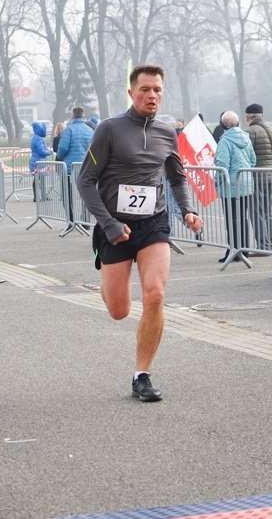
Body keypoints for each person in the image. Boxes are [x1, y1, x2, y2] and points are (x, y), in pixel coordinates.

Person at [76, 64, 203, 402]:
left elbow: (176, 176)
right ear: (131, 93)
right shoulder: (109, 129)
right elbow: (85, 180)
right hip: (115, 227)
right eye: (145, 89)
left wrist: (187, 209)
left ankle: (141, 376)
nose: (152, 95)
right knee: (119, 310)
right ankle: (104, 264)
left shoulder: (166, 132)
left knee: (156, 295)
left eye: (157, 90)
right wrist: (109, 225)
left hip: (153, 223)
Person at [213, 110, 256, 263]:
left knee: (231, 219)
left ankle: (233, 249)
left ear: (223, 124)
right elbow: (252, 160)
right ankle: (243, 249)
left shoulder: (224, 141)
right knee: (242, 218)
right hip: (246, 183)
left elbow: (222, 165)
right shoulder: (246, 138)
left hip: (230, 186)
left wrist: (216, 182)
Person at [245, 103, 272, 252]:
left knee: (257, 212)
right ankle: (269, 243)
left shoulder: (250, 131)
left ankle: (263, 245)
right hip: (271, 175)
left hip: (256, 177)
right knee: (267, 212)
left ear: (247, 118)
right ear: (262, 115)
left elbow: (247, 155)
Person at [57, 106, 93, 225]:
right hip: (86, 169)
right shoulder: (90, 130)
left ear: (72, 116)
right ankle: (85, 221)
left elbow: (62, 149)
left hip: (69, 169)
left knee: (67, 195)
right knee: (86, 196)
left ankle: (71, 220)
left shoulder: (68, 130)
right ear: (84, 116)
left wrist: (60, 156)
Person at [29, 121, 54, 202]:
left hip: (37, 161)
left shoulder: (35, 137)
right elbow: (41, 151)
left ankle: (40, 196)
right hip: (39, 161)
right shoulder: (39, 139)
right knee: (39, 180)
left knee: (39, 180)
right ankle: (38, 197)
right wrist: (49, 152)